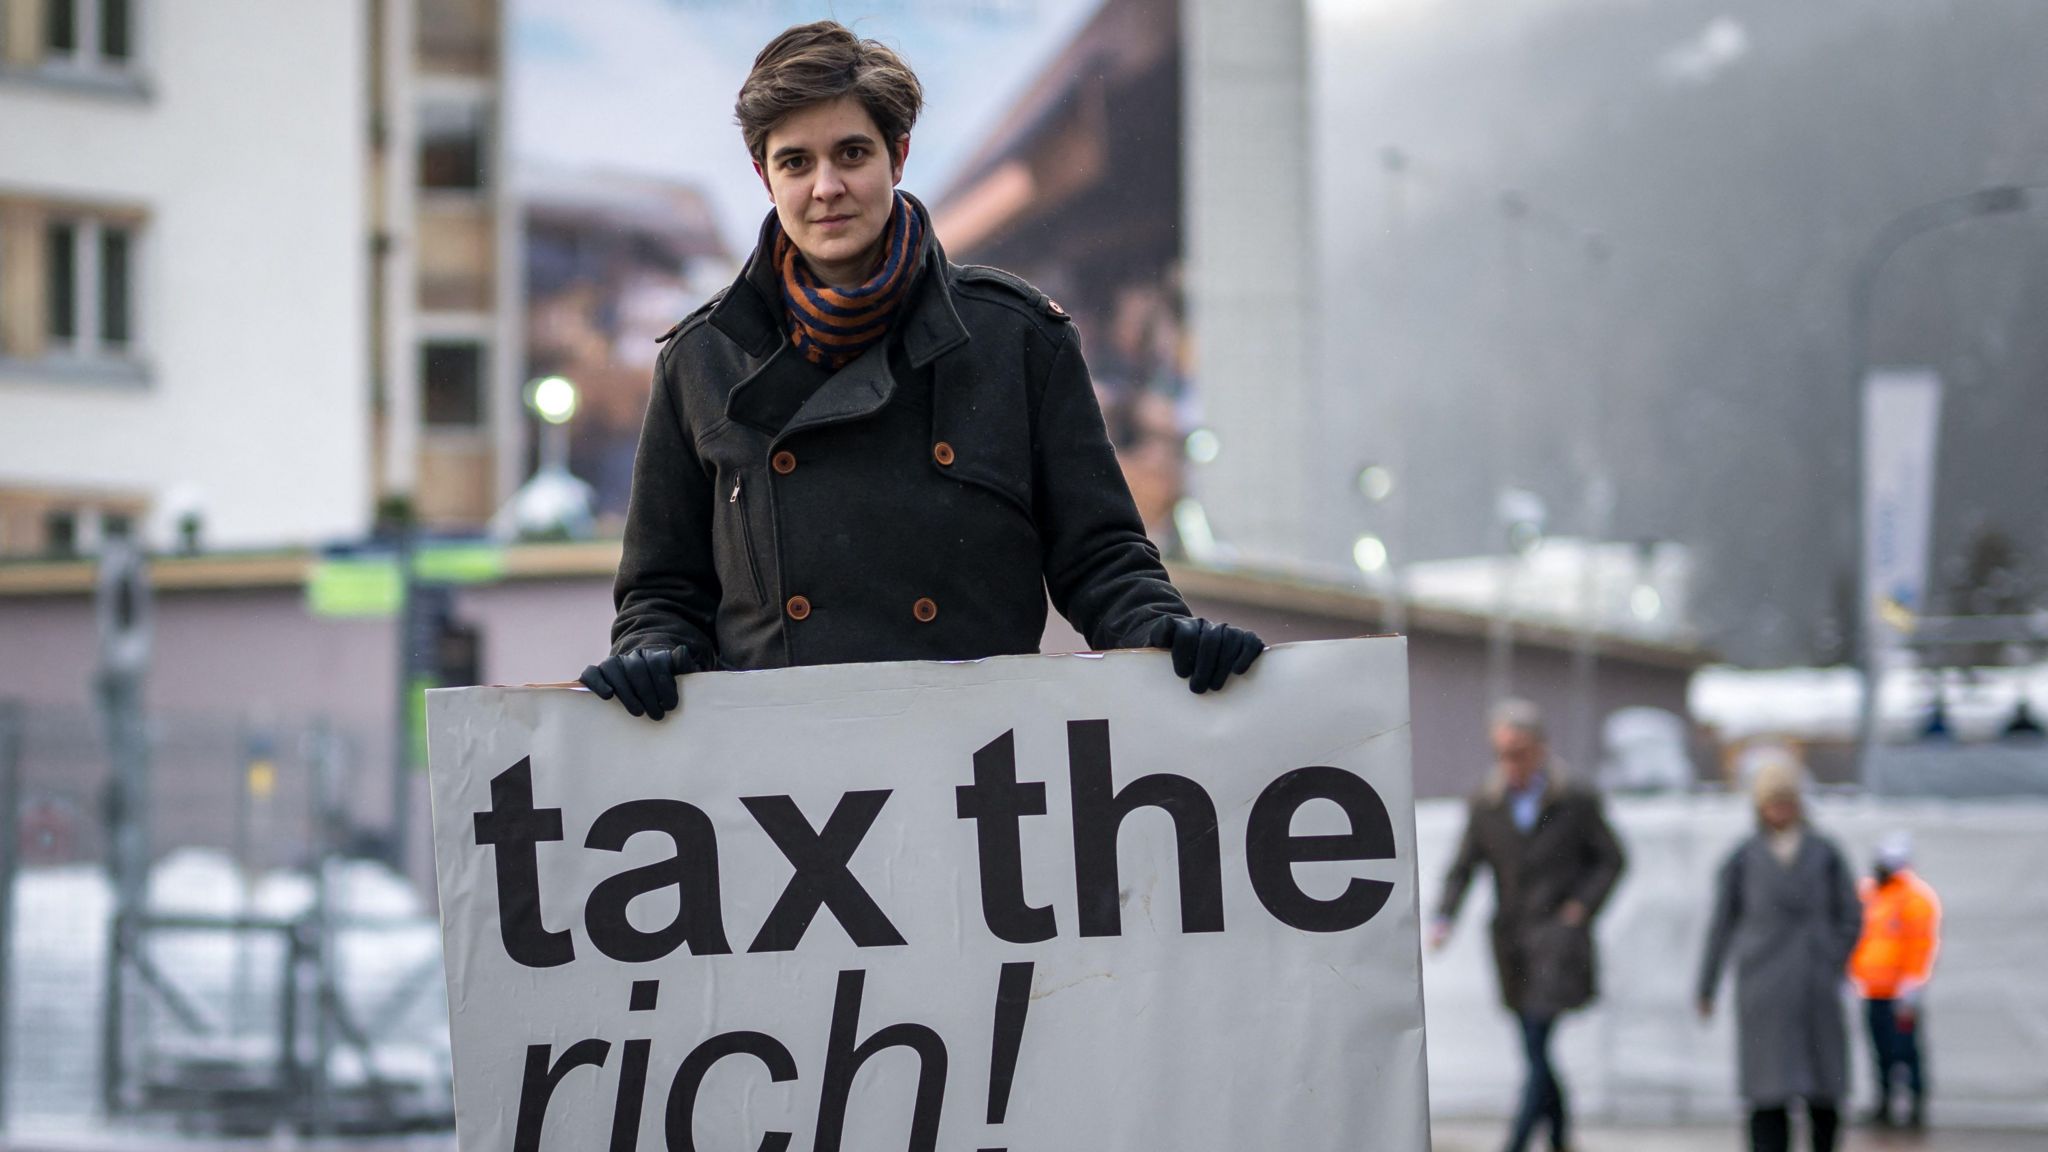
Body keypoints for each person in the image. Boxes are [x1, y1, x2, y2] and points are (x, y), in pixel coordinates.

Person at [577, 22, 1262, 716]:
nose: (827, 187)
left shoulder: (1017, 339)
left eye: (851, 153)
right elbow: (664, 591)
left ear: (897, 156)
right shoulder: (700, 361)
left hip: (977, 765)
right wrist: (650, 653)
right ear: (764, 176)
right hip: (782, 774)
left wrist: (1165, 634)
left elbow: (1102, 557)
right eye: (795, 163)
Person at [1432, 698, 1627, 1152]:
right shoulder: (1488, 803)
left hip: (1557, 939)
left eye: (1518, 750)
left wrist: (1581, 906)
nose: (1510, 762)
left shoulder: (1573, 799)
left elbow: (1611, 859)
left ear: (1539, 748)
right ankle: (1560, 1138)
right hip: (1512, 941)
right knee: (1534, 1046)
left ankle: (1516, 1142)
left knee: (1538, 1038)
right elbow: (1464, 867)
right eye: (1502, 752)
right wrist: (1444, 917)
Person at [1695, 761, 1862, 1152]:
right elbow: (1721, 924)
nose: (1781, 812)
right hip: (1763, 987)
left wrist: (1832, 955)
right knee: (1767, 1091)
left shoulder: (1824, 853)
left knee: (1824, 1084)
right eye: (1773, 803)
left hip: (1814, 983)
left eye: (1787, 802)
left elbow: (1851, 914)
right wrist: (1707, 984)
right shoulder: (1744, 858)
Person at [1849, 831, 1941, 1129]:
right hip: (1873, 989)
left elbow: (1921, 943)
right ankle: (1884, 1104)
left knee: (1906, 1051)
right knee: (1880, 1051)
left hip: (1900, 993)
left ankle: (1915, 1107)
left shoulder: (1914, 899)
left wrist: (1913, 983)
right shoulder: (1870, 894)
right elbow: (1856, 936)